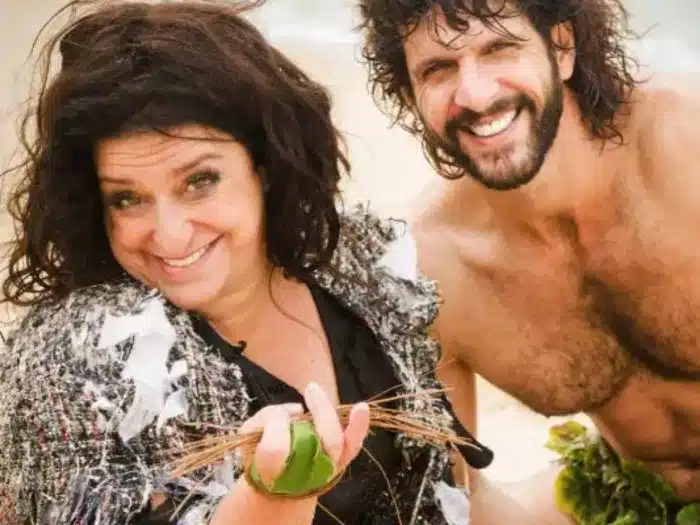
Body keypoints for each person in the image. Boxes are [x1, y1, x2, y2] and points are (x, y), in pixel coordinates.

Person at [0, 1, 497, 524]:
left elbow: (455, 496)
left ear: (265, 164)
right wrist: (269, 501)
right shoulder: (69, 362)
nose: (169, 234)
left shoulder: (365, 268)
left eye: (200, 181)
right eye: (127, 199)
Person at [358, 0, 700, 522]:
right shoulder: (431, 271)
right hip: (632, 499)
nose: (476, 95)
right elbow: (460, 499)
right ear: (410, 96)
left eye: (500, 49)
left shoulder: (688, 146)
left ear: (561, 48)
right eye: (438, 69)